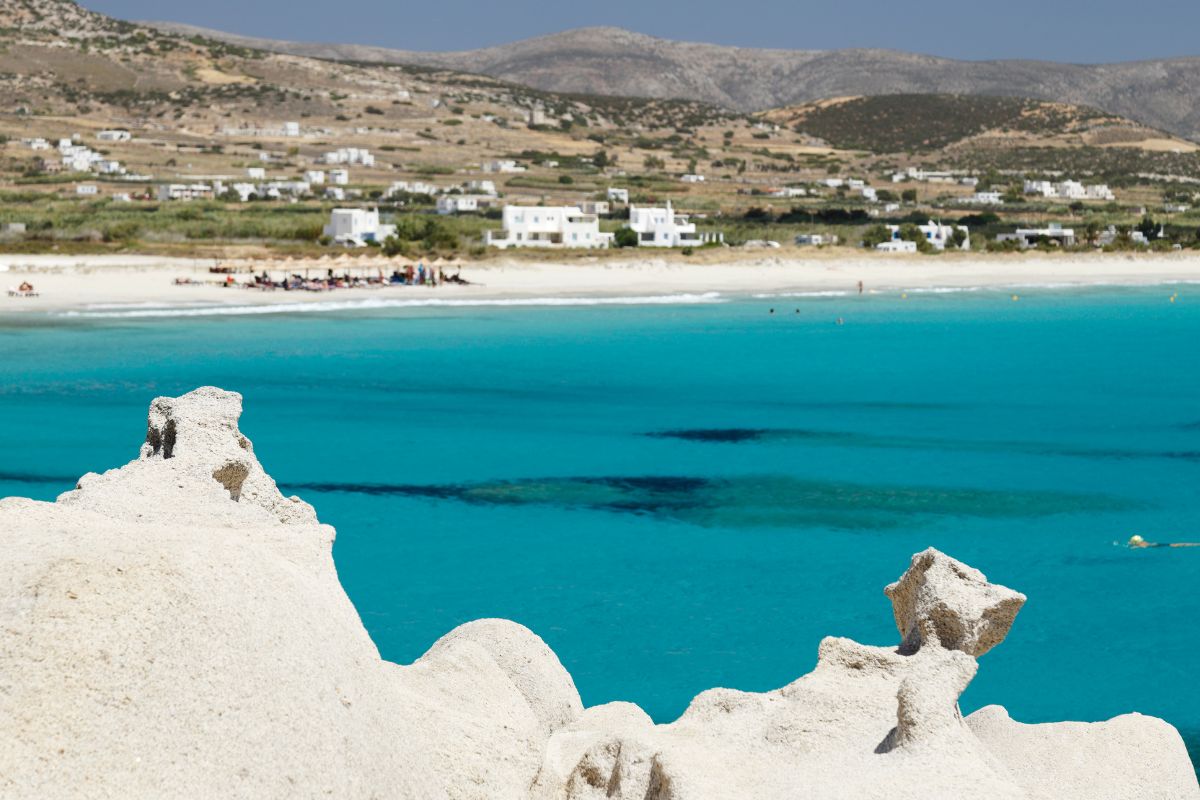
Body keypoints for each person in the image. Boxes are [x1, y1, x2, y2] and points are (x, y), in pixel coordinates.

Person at [1129, 535, 1200, 549]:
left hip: (1155, 545)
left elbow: (1143, 546)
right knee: (1177, 545)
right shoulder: (1142, 544)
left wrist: (1135, 547)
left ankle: (1197, 544)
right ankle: (1197, 544)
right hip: (1156, 545)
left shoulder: (1141, 545)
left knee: (1176, 545)